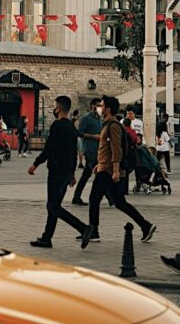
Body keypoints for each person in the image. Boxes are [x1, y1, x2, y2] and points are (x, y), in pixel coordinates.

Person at [28, 96, 94, 249]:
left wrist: (35, 164)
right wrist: (71, 174)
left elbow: (49, 148)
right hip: (65, 172)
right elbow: (73, 151)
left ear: (59, 108)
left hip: (57, 171)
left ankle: (83, 228)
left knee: (53, 206)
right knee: (54, 205)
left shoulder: (57, 126)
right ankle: (46, 237)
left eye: (55, 106)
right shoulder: (72, 127)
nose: (54, 109)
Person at [88, 97, 156, 244]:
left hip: (109, 170)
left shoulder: (112, 125)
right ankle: (145, 225)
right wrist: (99, 163)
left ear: (108, 109)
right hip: (106, 167)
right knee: (119, 202)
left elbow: (116, 149)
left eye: (102, 105)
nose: (99, 107)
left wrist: (116, 170)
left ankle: (93, 231)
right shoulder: (107, 124)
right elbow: (107, 148)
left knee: (94, 199)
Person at [71, 98, 102, 205]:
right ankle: (111, 198)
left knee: (86, 175)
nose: (98, 108)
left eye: (100, 106)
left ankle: (76, 196)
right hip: (90, 150)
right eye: (97, 106)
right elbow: (79, 132)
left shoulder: (99, 119)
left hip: (98, 150)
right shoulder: (86, 118)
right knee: (100, 174)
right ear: (91, 106)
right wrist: (93, 136)